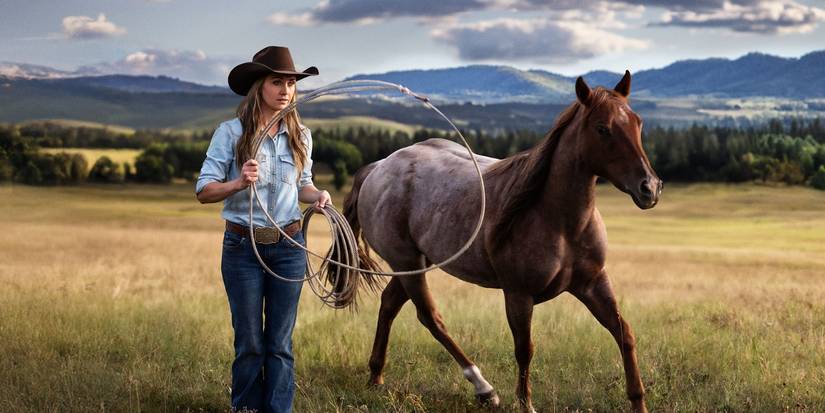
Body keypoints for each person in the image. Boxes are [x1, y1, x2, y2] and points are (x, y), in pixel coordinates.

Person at [195, 45, 331, 413]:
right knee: (251, 342)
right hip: (243, 249)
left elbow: (302, 184)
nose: (285, 90)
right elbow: (204, 190)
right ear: (259, 86)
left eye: (290, 83)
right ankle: (246, 409)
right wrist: (237, 183)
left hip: (289, 246)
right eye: (277, 82)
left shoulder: (301, 135)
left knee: (280, 343)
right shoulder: (231, 133)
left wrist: (317, 194)